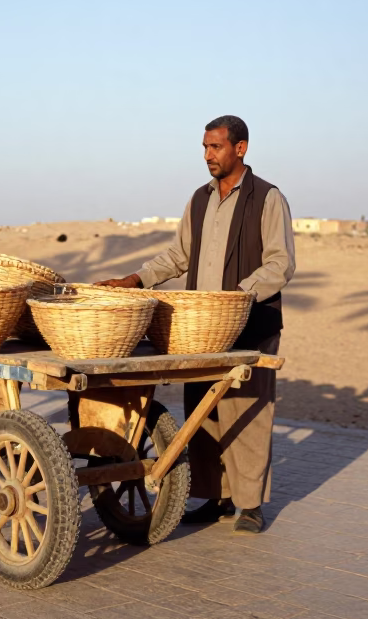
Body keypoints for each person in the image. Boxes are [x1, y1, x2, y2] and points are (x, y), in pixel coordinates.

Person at [97, 115, 295, 533]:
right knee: (202, 412)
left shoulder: (267, 198)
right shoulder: (199, 199)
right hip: (201, 330)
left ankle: (250, 505)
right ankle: (213, 496)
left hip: (252, 324)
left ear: (240, 148)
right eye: (204, 148)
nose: (208, 156)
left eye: (216, 147)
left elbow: (281, 262)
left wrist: (240, 294)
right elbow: (178, 255)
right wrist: (135, 279)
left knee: (247, 411)